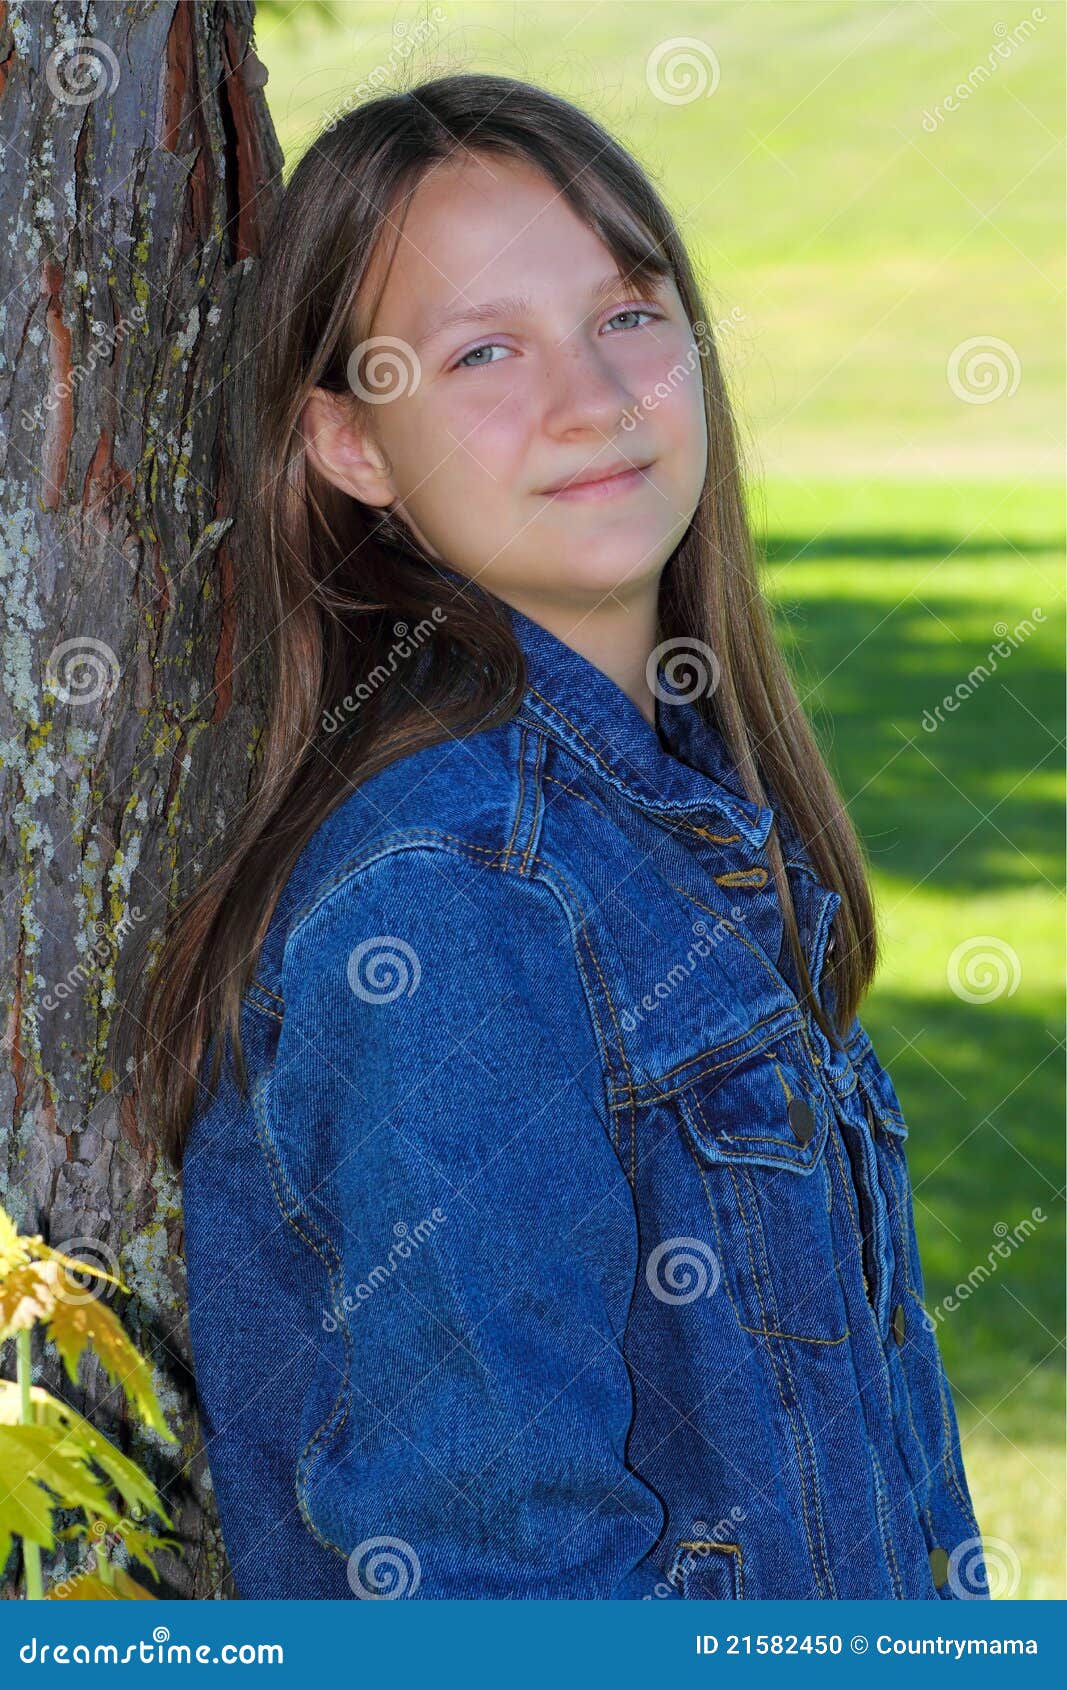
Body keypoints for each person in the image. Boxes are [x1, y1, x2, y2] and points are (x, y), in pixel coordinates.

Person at [124, 73, 988, 1601]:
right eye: (482, 352)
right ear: (347, 443)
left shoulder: (674, 825)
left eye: (630, 316)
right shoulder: (460, 899)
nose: (594, 399)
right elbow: (494, 1594)